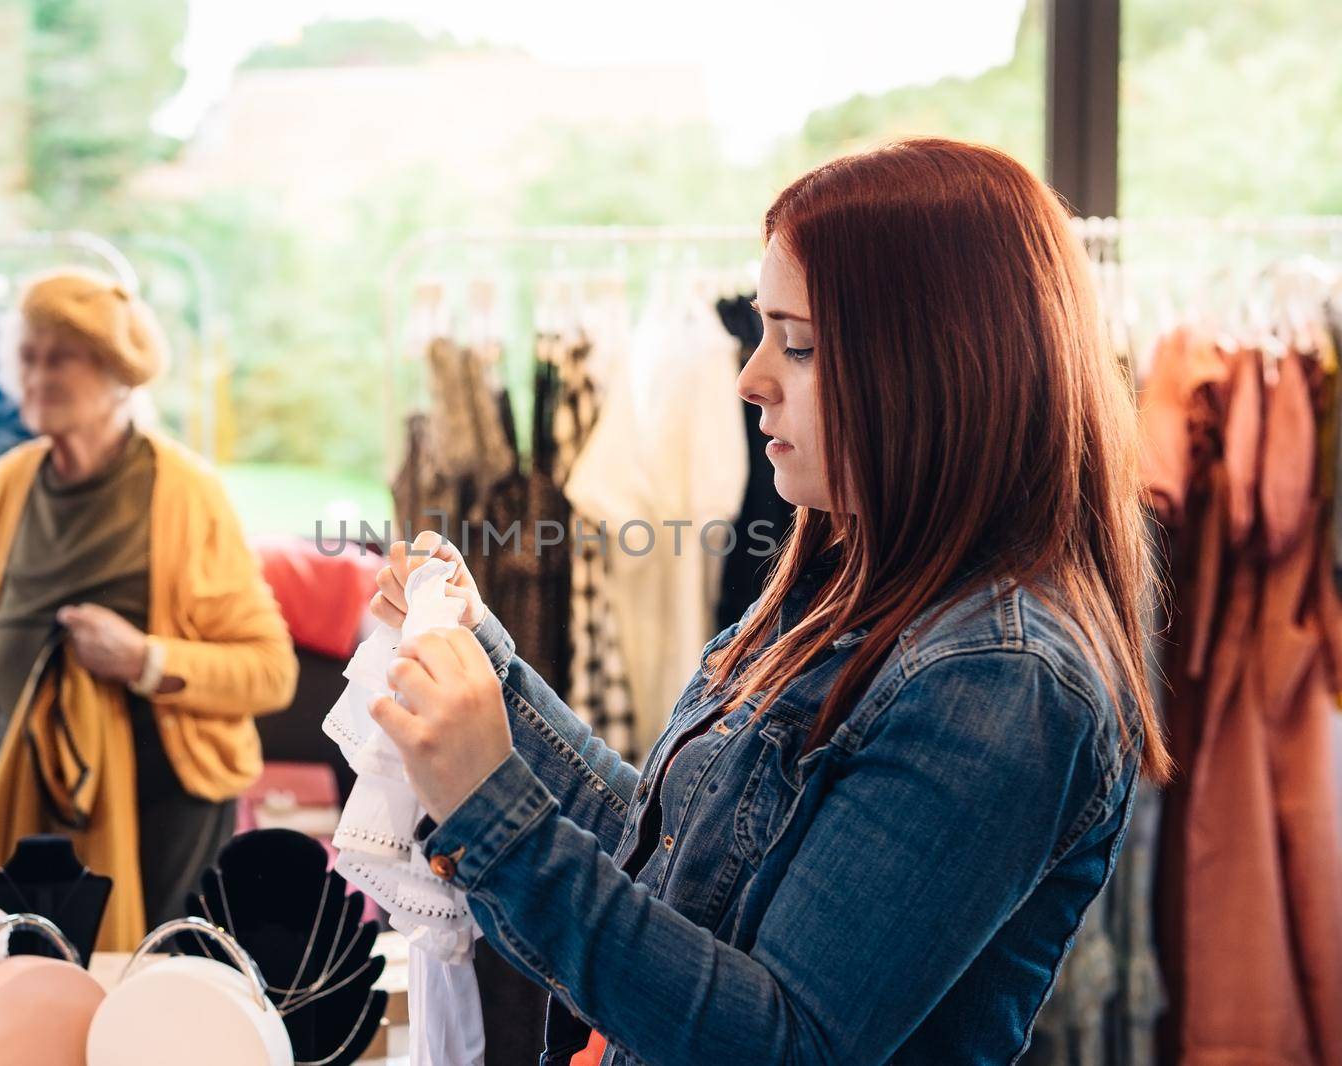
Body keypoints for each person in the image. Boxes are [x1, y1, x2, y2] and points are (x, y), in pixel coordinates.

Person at [365, 138, 1173, 1064]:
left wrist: (493, 805)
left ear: (935, 367)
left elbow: (782, 1043)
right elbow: (681, 862)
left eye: (798, 345)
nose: (750, 379)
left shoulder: (1002, 681)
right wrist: (495, 676)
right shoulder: (850, 575)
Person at [0, 267, 298, 949]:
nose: (37, 375)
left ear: (116, 372)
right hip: (27, 790)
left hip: (163, 801)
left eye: (62, 358)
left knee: (143, 993)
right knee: (25, 983)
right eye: (28, 356)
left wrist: (144, 660)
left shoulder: (185, 492)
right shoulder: (9, 481)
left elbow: (269, 670)